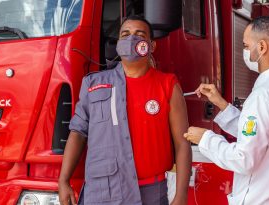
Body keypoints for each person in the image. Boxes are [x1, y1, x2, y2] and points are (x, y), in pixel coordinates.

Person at [58, 15, 192, 205]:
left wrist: (181, 195)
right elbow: (78, 132)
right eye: (125, 34)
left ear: (151, 46)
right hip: (104, 193)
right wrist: (63, 180)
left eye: (139, 34)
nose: (131, 39)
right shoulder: (94, 84)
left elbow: (182, 143)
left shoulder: (167, 84)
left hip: (151, 193)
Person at [184, 15, 269, 205]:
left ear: (262, 47)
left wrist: (205, 139)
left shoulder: (263, 94)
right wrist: (222, 104)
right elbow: (261, 136)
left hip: (262, 199)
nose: (245, 52)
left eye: (246, 46)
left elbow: (244, 159)